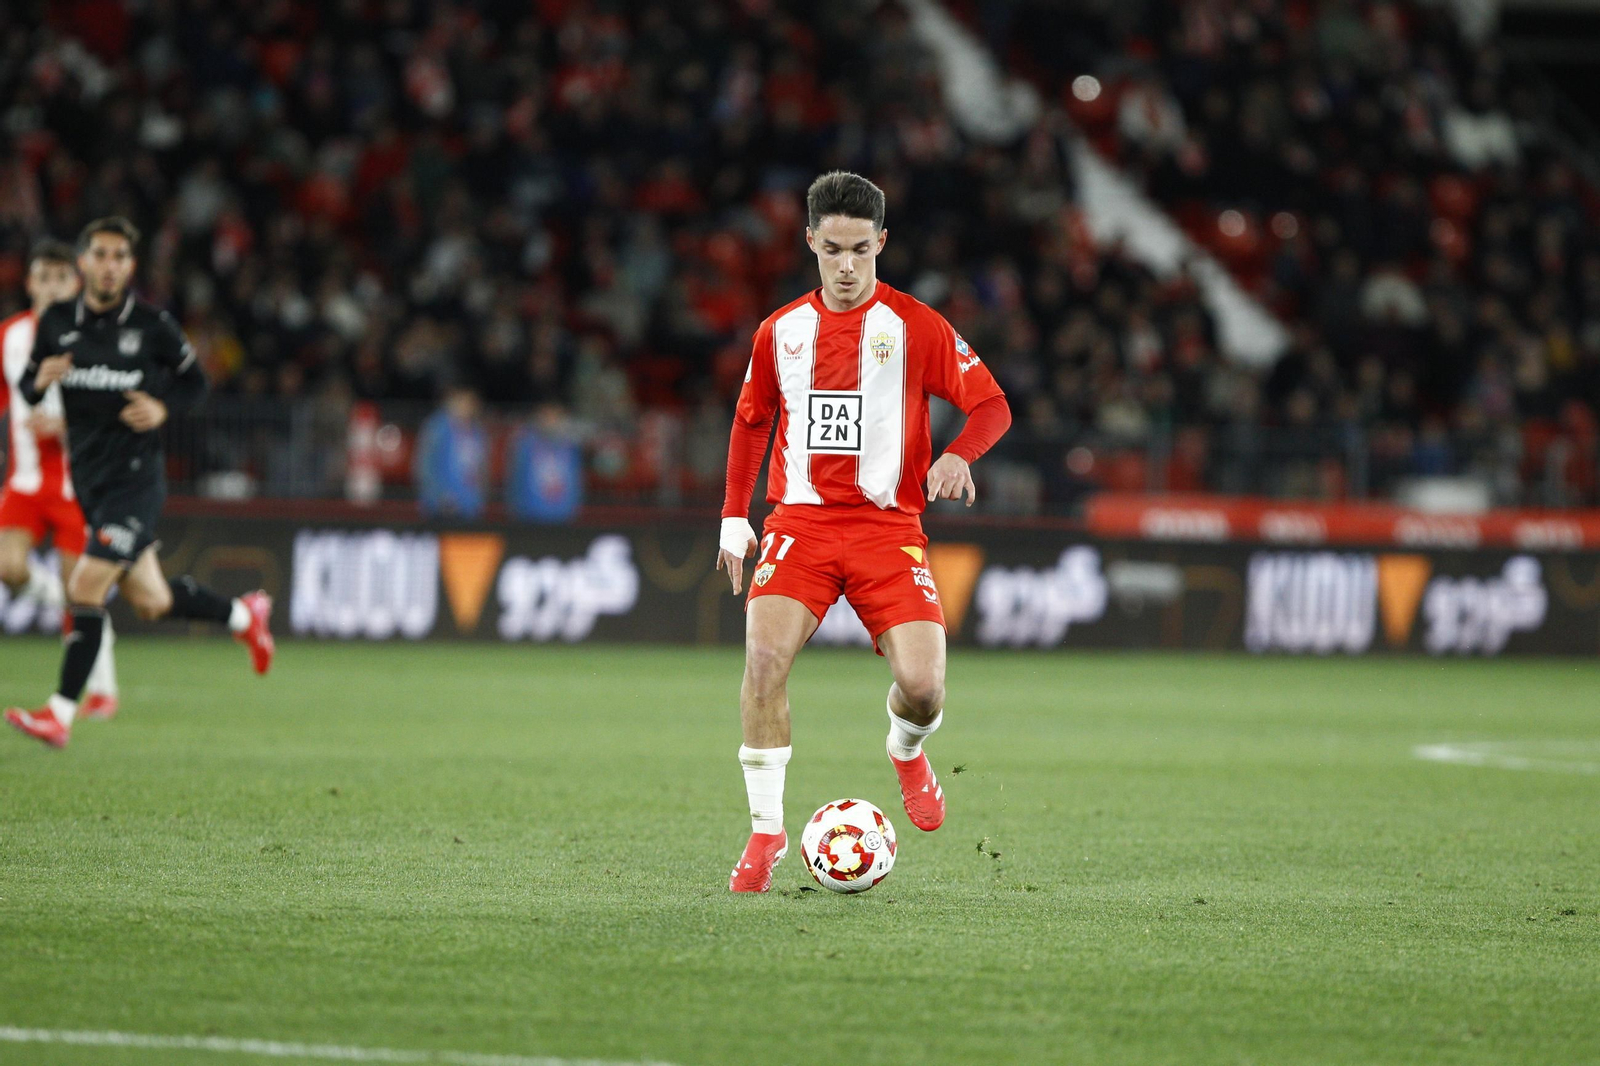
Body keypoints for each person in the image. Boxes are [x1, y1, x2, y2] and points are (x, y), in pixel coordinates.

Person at [717, 172, 1012, 892]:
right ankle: (764, 835)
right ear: (811, 242)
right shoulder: (779, 332)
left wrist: (955, 454)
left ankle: (907, 752)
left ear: (881, 244)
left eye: (860, 250)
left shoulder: (915, 325)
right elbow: (753, 420)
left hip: (888, 529)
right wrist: (733, 516)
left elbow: (993, 406)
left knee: (924, 687)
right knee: (762, 665)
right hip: (802, 523)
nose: (846, 267)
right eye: (832, 250)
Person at [5, 217, 274, 750]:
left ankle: (59, 714)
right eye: (100, 255)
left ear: (130, 266)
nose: (109, 266)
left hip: (136, 482)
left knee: (83, 586)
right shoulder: (57, 321)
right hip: (90, 482)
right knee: (151, 601)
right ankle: (246, 615)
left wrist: (161, 406)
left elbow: (196, 383)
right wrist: (40, 380)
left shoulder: (152, 326)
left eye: (119, 257)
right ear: (84, 264)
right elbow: (27, 391)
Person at [0, 238, 119, 718]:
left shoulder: (92, 340)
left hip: (77, 484)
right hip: (26, 481)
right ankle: (56, 599)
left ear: (75, 283)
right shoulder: (9, 337)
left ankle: (104, 690)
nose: (51, 287)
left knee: (84, 591)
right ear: (30, 283)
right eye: (42, 278)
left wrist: (66, 425)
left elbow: (113, 411)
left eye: (60, 278)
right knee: (8, 566)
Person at [415, 385, 488, 520]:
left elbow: (481, 468)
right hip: (441, 509)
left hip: (469, 508)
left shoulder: (477, 431)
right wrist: (439, 497)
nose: (468, 406)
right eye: (464, 401)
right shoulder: (437, 427)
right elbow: (425, 466)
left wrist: (478, 499)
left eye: (472, 402)